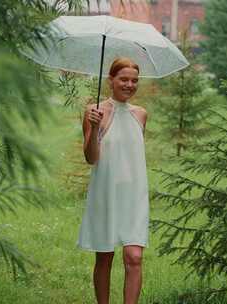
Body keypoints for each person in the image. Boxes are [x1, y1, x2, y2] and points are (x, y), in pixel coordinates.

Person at [77, 57, 149, 304]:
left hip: (133, 195)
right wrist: (95, 129)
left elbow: (131, 157)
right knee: (105, 257)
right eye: (124, 79)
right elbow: (91, 158)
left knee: (134, 257)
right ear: (111, 80)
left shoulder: (140, 115)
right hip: (105, 192)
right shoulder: (94, 111)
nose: (129, 85)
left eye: (134, 80)